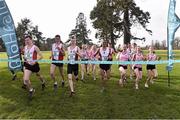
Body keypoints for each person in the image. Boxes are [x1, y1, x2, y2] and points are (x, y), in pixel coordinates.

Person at [23, 35, 45, 99]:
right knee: (26, 79)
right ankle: (31, 90)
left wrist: (35, 61)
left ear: (31, 40)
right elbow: (25, 56)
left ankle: (43, 82)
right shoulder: (25, 47)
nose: (26, 41)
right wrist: (24, 58)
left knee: (39, 75)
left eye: (28, 40)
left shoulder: (35, 47)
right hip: (28, 65)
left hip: (34, 65)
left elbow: (41, 56)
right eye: (25, 40)